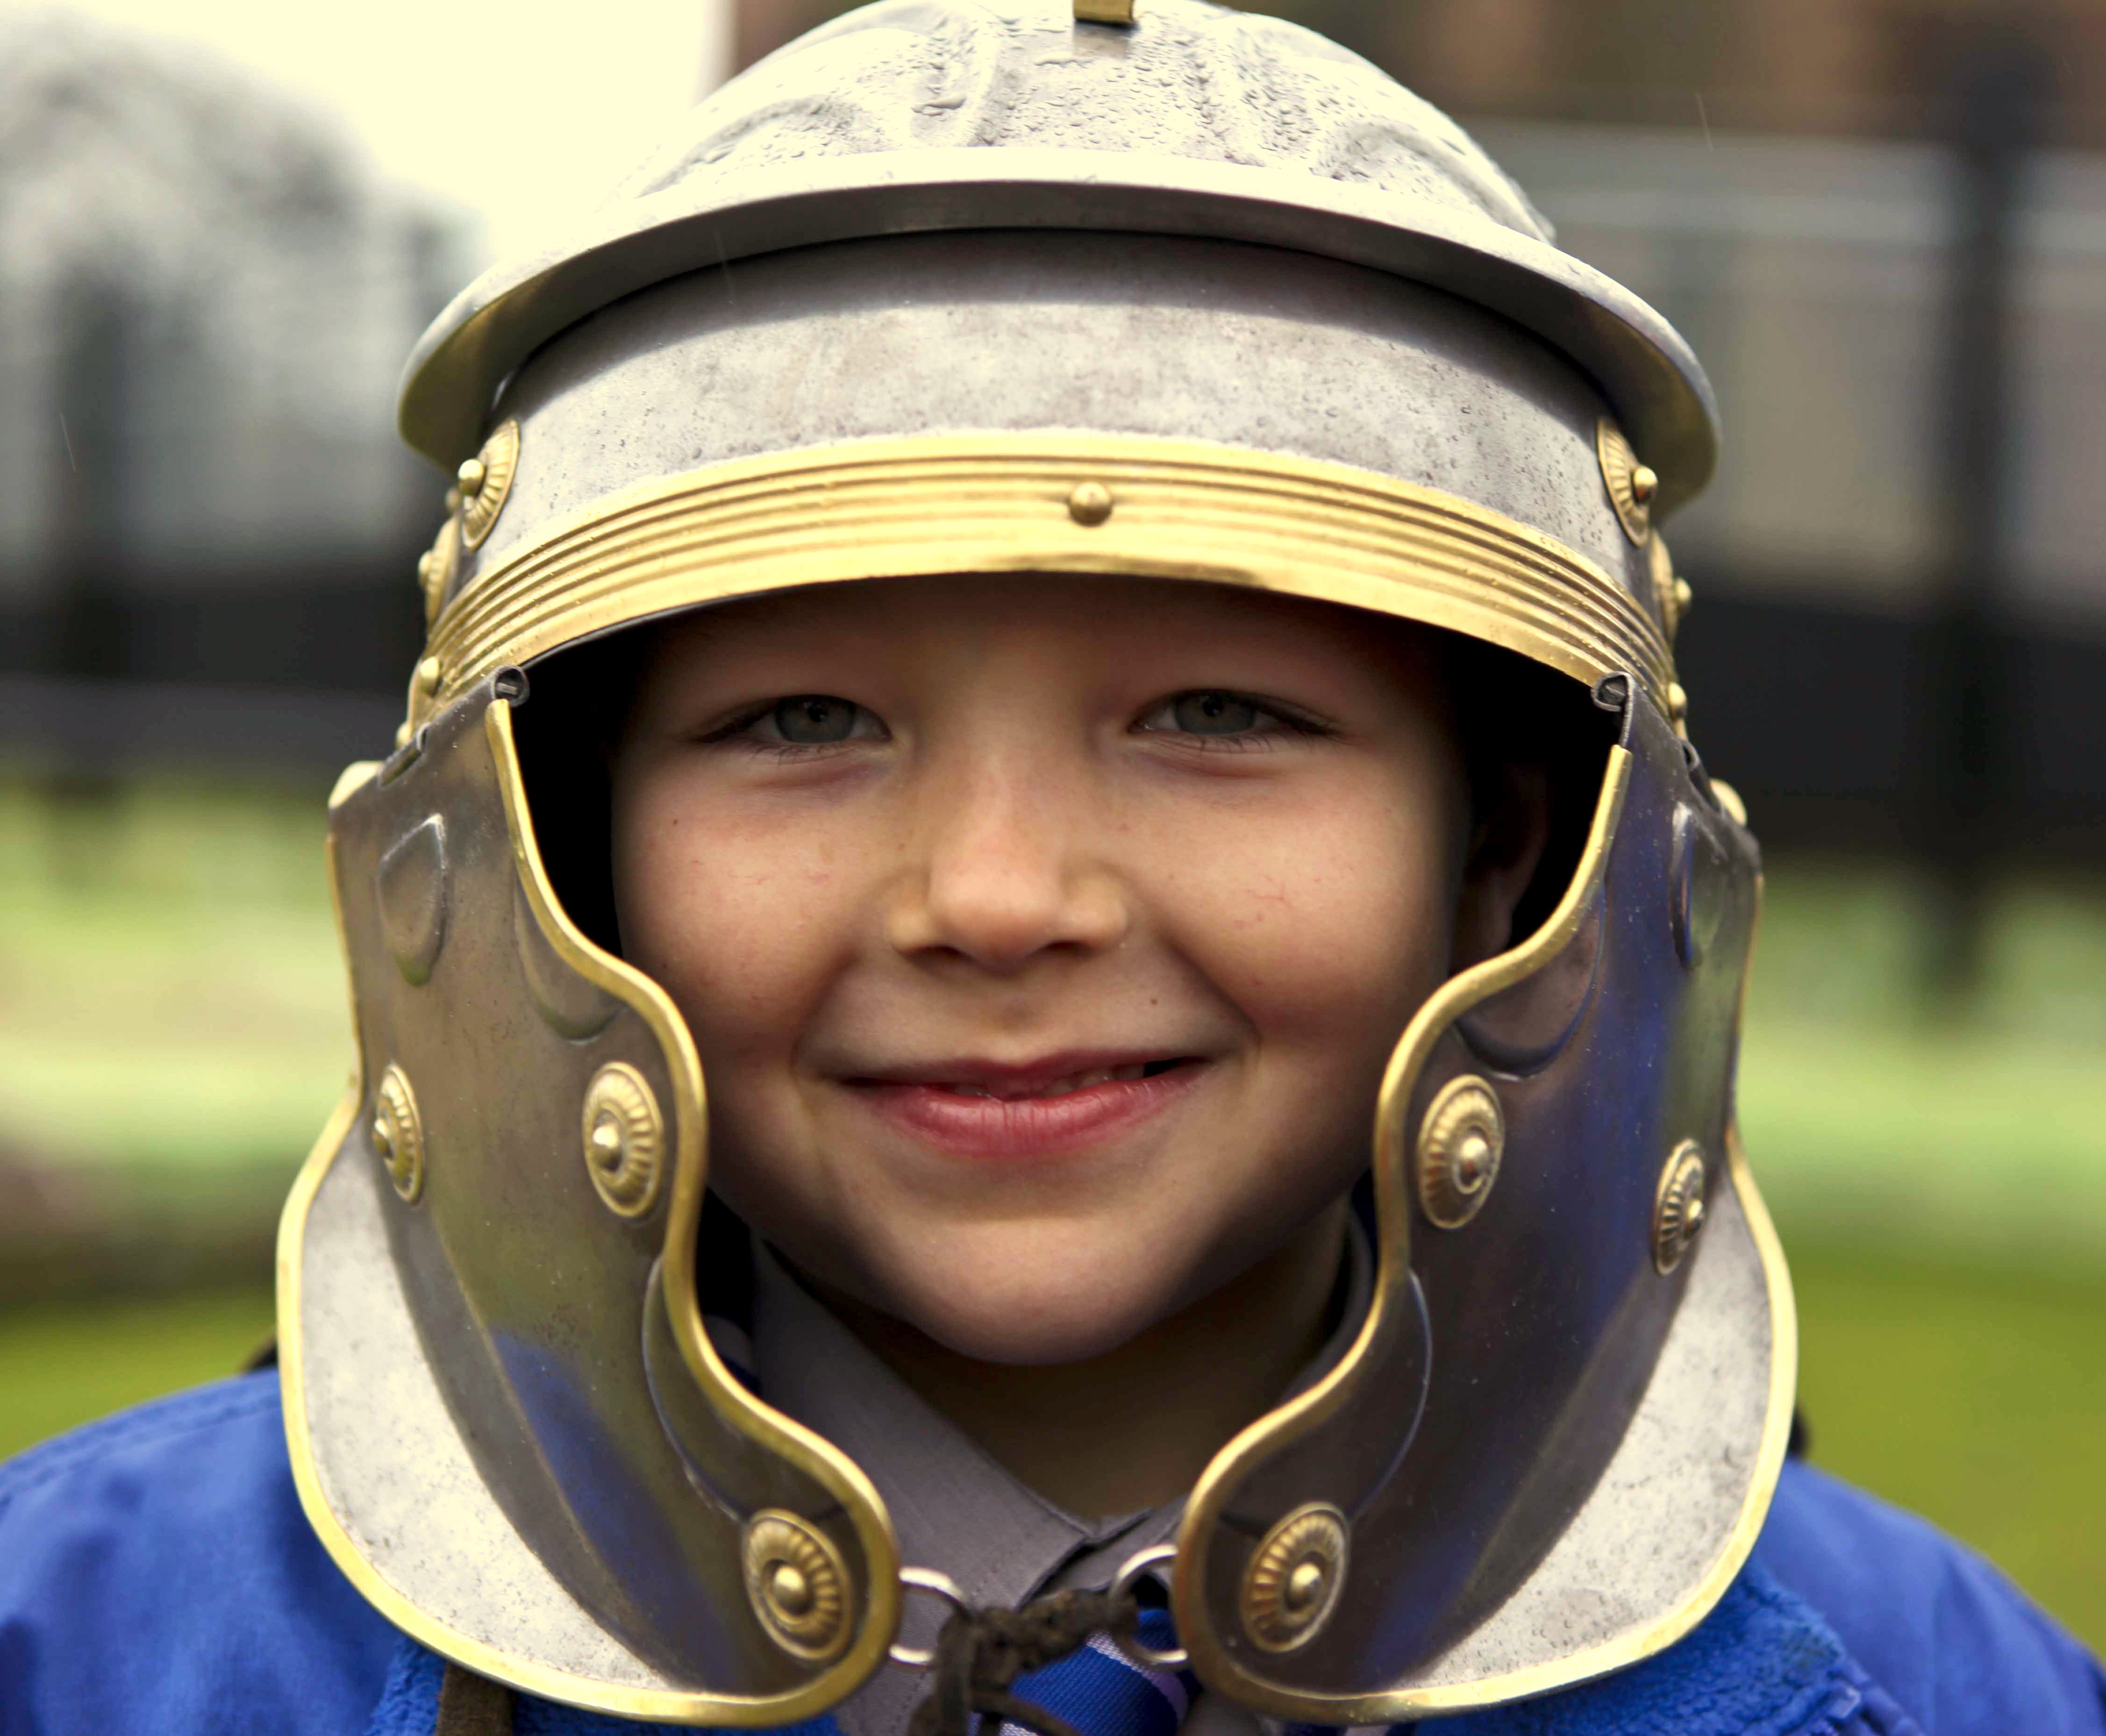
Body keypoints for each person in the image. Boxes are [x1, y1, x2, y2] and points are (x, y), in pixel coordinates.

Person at [2, 4, 2101, 1734]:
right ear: (563, 841)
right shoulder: (101, 1658)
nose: (997, 896)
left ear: (1510, 855)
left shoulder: (1928, 1695)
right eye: (801, 723)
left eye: (1218, 715)